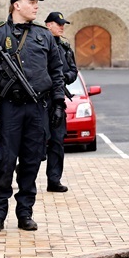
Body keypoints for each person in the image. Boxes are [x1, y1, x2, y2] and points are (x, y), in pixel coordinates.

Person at [0, 0, 64, 233]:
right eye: (31, 2)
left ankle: (25, 212)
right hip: (9, 108)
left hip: (37, 108)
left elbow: (56, 71)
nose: (36, 6)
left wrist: (58, 103)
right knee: (5, 161)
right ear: (17, 5)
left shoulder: (44, 35)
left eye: (37, 3)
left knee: (31, 161)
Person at [44, 12, 78, 192]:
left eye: (63, 24)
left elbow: (73, 70)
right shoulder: (38, 44)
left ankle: (54, 180)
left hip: (58, 100)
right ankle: (24, 170)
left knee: (57, 140)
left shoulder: (64, 47)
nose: (62, 27)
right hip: (40, 99)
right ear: (48, 25)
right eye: (58, 24)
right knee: (37, 140)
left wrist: (64, 77)